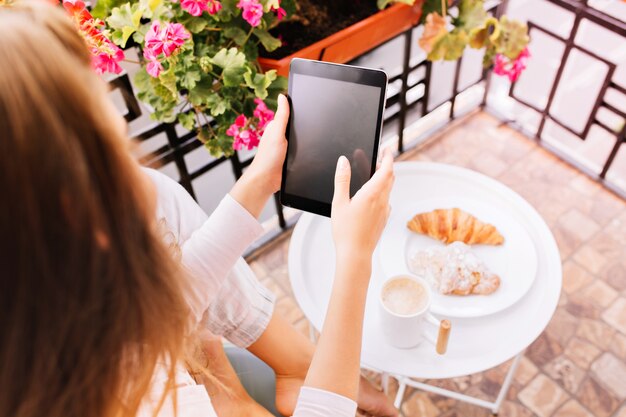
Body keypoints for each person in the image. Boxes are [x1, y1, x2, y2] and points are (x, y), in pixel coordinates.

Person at [0, 2, 395, 417]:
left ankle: (295, 369)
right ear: (79, 208)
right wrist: (355, 260)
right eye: (117, 142)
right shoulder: (151, 403)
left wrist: (260, 179)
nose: (141, 165)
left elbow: (162, 311)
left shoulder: (62, 325)